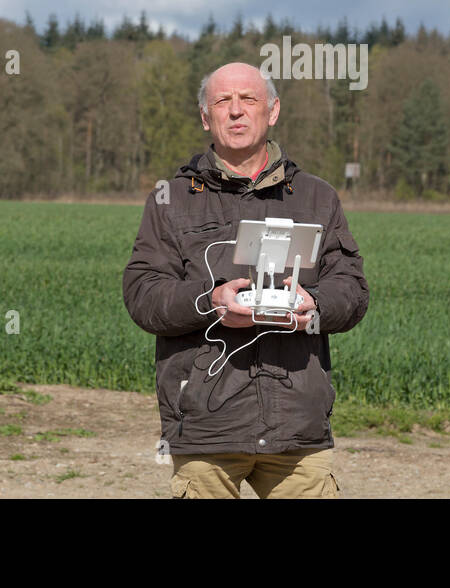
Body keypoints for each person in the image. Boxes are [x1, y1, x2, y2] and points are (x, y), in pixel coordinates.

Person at [123, 61, 369, 498]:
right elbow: (143, 293)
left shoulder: (317, 196)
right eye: (222, 101)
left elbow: (351, 287)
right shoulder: (171, 199)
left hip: (298, 425)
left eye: (248, 99)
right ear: (206, 117)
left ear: (272, 111)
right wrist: (210, 302)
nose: (236, 110)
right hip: (206, 421)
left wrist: (314, 305)